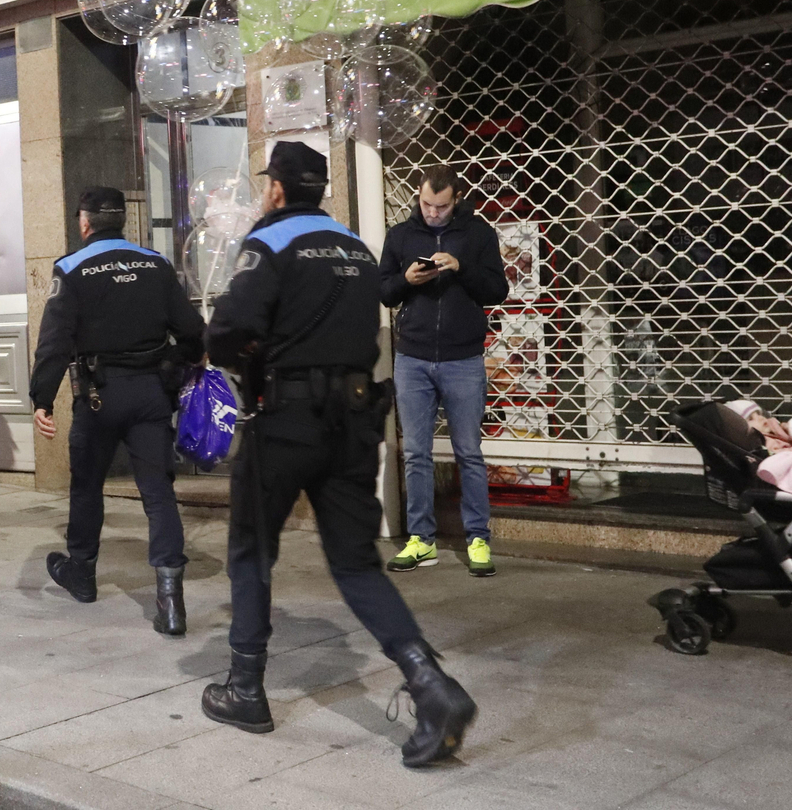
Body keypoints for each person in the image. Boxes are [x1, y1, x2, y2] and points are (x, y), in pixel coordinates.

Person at [201, 141, 476, 767]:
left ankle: (246, 689)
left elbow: (226, 334)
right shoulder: (353, 246)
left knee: (250, 549)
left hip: (285, 421)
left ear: (275, 189)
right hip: (355, 422)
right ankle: (431, 684)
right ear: (319, 189)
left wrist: (237, 349)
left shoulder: (268, 243)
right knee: (355, 563)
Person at [29, 187, 204, 636]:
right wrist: (179, 364)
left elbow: (54, 342)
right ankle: (170, 601)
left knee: (87, 485)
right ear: (122, 221)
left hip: (99, 396)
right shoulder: (156, 264)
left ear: (84, 223)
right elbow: (191, 330)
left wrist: (42, 398)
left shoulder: (70, 268)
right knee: (158, 493)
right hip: (150, 394)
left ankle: (82, 575)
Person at [378, 164, 509, 578]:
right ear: (419, 197)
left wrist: (460, 266)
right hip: (412, 358)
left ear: (456, 200)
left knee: (468, 451)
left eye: (441, 206)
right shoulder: (400, 235)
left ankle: (478, 539)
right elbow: (382, 291)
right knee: (416, 452)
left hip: (463, 359)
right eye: (426, 204)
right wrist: (407, 278)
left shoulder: (478, 233)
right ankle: (421, 539)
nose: (433, 213)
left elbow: (497, 290)